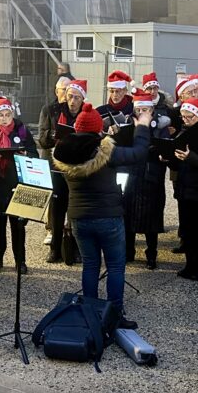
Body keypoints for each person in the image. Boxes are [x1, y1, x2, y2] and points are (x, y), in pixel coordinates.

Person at [51, 102, 152, 327]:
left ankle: (90, 312)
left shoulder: (64, 150)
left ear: (77, 127)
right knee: (115, 266)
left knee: (90, 265)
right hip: (108, 216)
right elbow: (139, 153)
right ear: (99, 129)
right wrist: (142, 126)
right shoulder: (105, 151)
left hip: (78, 217)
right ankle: (114, 316)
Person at [0, 96, 38, 274]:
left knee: (18, 225)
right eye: (0, 115)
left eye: (7, 115)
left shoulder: (22, 131)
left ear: (12, 115)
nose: (4, 119)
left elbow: (34, 154)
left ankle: (20, 260)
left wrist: (25, 155)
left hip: (16, 184)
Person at [165, 98, 198, 280]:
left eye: (190, 117)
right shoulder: (184, 132)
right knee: (188, 232)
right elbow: (177, 162)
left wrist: (190, 157)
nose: (186, 120)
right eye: (183, 117)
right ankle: (190, 265)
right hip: (185, 189)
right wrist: (168, 158)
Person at [124, 89, 168, 269]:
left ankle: (151, 255)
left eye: (145, 110)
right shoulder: (128, 123)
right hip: (132, 175)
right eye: (139, 109)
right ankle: (129, 252)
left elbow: (166, 146)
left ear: (152, 110)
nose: (142, 113)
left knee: (152, 219)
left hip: (152, 176)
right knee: (128, 216)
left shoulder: (161, 125)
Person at [46, 79, 86, 264]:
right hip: (58, 167)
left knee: (75, 209)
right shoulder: (53, 111)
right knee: (57, 209)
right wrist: (54, 136)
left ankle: (75, 248)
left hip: (77, 169)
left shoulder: (87, 113)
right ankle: (55, 248)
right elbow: (42, 139)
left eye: (77, 97)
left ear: (83, 99)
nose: (72, 101)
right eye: (70, 96)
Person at [37, 76, 71, 162]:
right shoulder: (48, 110)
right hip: (51, 157)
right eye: (64, 89)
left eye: (69, 90)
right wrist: (55, 134)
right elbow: (42, 140)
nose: (67, 93)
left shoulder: (75, 110)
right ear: (57, 92)